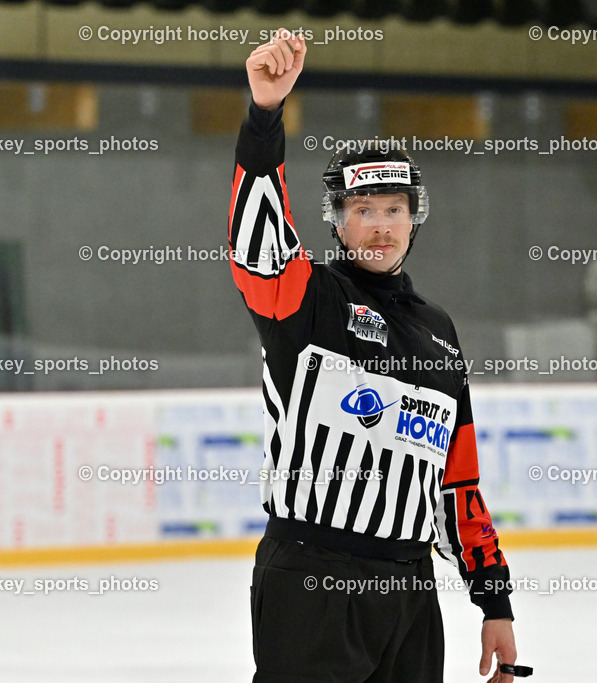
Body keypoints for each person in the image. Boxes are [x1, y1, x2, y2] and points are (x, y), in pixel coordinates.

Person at [229, 29, 519, 682]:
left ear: (415, 219)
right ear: (337, 220)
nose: (382, 225)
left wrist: (493, 599)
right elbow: (257, 245)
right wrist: (264, 118)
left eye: (395, 208)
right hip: (313, 574)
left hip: (409, 590)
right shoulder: (308, 300)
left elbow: (457, 481)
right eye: (364, 209)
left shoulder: (439, 332)